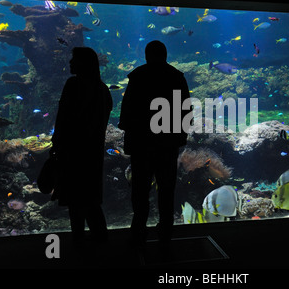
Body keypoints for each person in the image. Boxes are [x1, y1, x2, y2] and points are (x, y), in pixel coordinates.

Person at [118, 40, 191, 251]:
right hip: (167, 145)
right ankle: (166, 233)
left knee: (140, 191)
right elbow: (185, 112)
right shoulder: (176, 77)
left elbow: (127, 113)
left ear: (147, 55)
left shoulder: (138, 76)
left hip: (142, 145)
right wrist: (179, 139)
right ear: (165, 55)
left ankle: (138, 231)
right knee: (167, 190)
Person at [51, 47, 113, 245]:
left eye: (74, 59)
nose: (70, 63)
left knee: (75, 202)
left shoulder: (74, 84)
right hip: (93, 154)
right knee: (91, 201)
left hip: (73, 152)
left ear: (83, 63)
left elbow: (63, 119)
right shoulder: (102, 89)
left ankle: (79, 241)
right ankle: (101, 243)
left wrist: (57, 145)